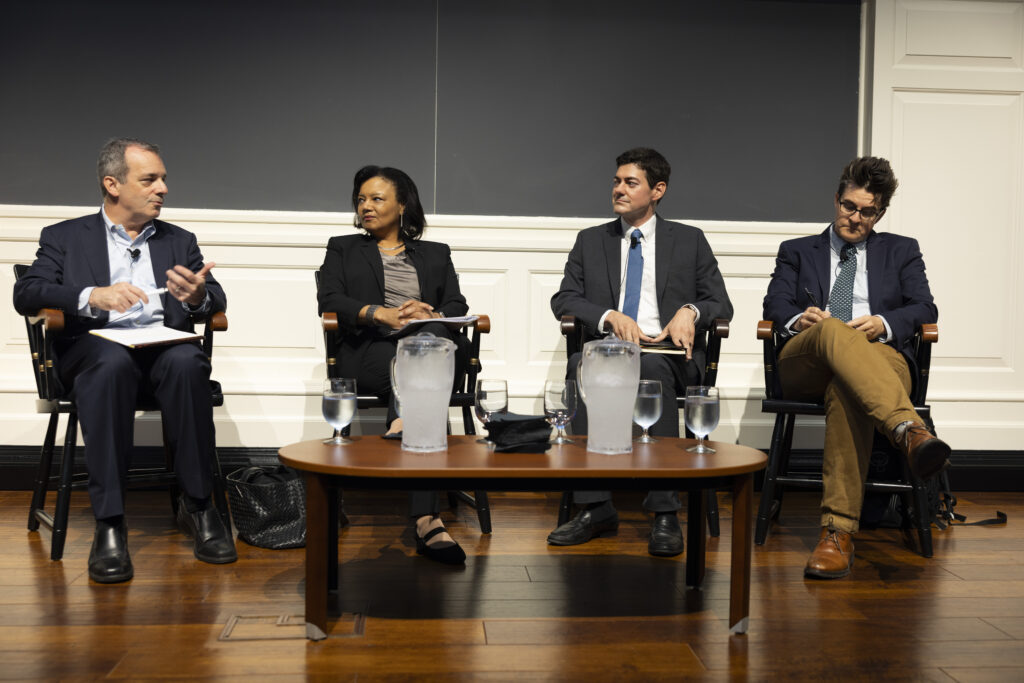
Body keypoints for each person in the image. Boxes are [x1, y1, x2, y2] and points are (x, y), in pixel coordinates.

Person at [13, 137, 236, 583]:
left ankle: (199, 507)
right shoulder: (64, 236)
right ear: (112, 184)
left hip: (163, 352)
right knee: (111, 364)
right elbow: (28, 292)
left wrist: (197, 298)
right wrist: (91, 295)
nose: (163, 189)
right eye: (150, 179)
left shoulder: (179, 240)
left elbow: (214, 298)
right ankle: (110, 523)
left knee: (188, 363)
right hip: (96, 353)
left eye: (164, 179)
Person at [763, 156, 950, 579]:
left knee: (848, 389)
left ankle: (837, 534)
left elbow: (924, 307)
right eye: (849, 206)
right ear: (836, 199)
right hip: (808, 357)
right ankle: (908, 430)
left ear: (880, 212)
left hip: (877, 357)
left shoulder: (902, 250)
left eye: (867, 211)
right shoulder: (796, 251)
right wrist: (800, 320)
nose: (856, 217)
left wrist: (885, 323)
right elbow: (775, 303)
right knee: (832, 329)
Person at [549, 147, 733, 557]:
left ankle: (664, 512)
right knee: (581, 362)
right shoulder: (591, 240)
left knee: (650, 365)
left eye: (630, 182)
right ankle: (595, 508)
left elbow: (721, 304)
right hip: (610, 350)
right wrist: (610, 316)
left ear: (657, 190)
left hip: (666, 352)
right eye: (616, 181)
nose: (618, 189)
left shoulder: (689, 240)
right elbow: (564, 299)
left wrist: (691, 310)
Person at [317, 165, 470, 565]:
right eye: (361, 199)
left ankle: (406, 424)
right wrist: (378, 313)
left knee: (427, 340)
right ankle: (427, 521)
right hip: (370, 352)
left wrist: (428, 311)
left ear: (402, 205)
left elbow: (457, 305)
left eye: (377, 198)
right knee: (423, 366)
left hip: (426, 351)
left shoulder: (436, 254)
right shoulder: (343, 247)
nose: (366, 206)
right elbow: (330, 299)